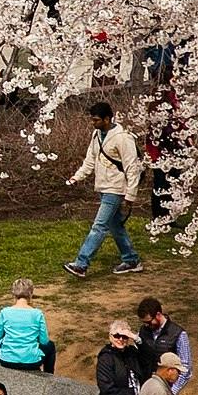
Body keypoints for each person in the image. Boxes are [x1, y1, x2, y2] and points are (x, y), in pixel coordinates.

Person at [64, 101, 146, 277]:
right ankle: (131, 259)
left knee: (99, 226)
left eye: (96, 120)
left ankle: (81, 263)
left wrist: (131, 194)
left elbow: (132, 167)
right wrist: (76, 177)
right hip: (103, 185)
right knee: (115, 226)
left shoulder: (123, 137)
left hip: (116, 188)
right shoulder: (96, 135)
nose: (93, 123)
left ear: (107, 119)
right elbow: (90, 160)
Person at [0, 280, 56, 375]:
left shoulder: (5, 312)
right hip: (31, 361)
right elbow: (44, 341)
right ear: (30, 294)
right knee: (50, 346)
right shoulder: (37, 314)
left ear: (13, 294)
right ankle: (49, 375)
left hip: (6, 360)